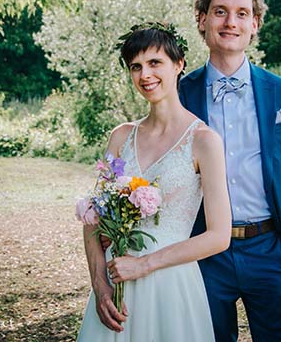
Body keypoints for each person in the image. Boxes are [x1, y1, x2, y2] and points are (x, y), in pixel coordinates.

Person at [179, 0, 281, 342]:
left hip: (270, 249)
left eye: (242, 13)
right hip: (204, 255)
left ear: (254, 24)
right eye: (220, 11)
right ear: (203, 20)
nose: (231, 22)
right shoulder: (179, 93)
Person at [77, 23, 231, 341]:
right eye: (136, 66)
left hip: (171, 286)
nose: (145, 75)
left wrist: (144, 264)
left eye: (154, 62)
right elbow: (93, 217)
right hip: (116, 281)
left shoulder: (204, 141)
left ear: (179, 64)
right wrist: (100, 283)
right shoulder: (120, 136)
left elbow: (219, 236)